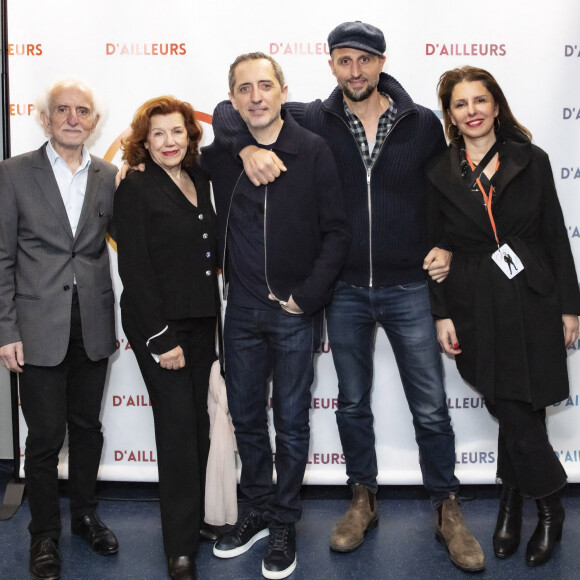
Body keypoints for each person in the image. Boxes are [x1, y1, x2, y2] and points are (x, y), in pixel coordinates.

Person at [211, 22, 485, 572]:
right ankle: (363, 498)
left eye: (364, 60)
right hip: (343, 289)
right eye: (343, 60)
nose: (354, 71)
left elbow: (450, 191)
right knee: (352, 403)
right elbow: (225, 110)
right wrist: (243, 149)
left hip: (409, 284)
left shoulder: (422, 123)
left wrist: (448, 246)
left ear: (381, 63)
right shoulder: (314, 117)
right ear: (330, 65)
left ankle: (446, 505)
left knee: (430, 406)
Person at [201, 52, 350, 579]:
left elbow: (337, 231)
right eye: (244, 88)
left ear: (284, 90)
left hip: (293, 311)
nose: (255, 96)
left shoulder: (312, 149)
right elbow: (206, 128)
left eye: (265, 85)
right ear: (234, 96)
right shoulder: (223, 152)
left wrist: (309, 296)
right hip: (238, 310)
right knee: (245, 416)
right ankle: (258, 510)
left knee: (290, 421)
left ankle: (285, 518)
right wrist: (241, 144)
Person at [426, 65, 580, 567]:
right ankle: (551, 504)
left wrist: (569, 305)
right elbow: (435, 248)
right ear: (450, 116)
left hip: (533, 293)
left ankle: (513, 505)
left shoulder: (530, 159)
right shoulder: (438, 172)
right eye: (460, 104)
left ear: (495, 105)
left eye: (480, 101)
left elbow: (556, 235)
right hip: (474, 300)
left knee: (524, 403)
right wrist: (441, 314)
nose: (472, 111)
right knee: (509, 403)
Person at [0, 78, 119, 580]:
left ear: (95, 122)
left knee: (88, 430)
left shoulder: (109, 174)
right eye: (62, 110)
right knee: (45, 438)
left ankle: (86, 516)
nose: (73, 118)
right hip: (36, 326)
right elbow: (3, 256)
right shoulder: (13, 173)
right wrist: (7, 328)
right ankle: (44, 534)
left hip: (92, 323)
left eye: (83, 111)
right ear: (45, 119)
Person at [114, 96, 219, 580]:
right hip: (160, 327)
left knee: (197, 425)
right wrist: (160, 338)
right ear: (144, 141)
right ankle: (178, 548)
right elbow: (134, 268)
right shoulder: (135, 185)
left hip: (201, 322)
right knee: (177, 432)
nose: (169, 142)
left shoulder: (199, 178)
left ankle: (193, 522)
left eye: (176, 132)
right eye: (157, 134)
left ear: (190, 135)